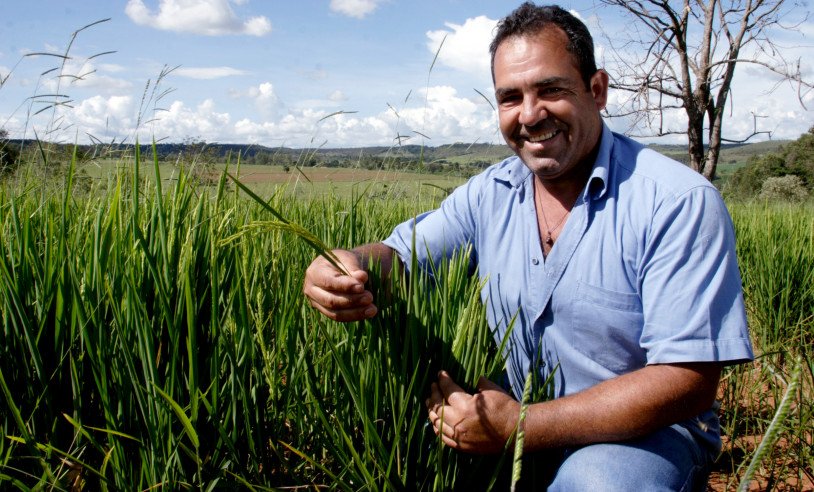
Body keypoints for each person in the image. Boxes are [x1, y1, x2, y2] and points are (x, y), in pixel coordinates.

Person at [303, 3, 754, 489]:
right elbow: (406, 256)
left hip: (643, 438)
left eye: (552, 90)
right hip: (512, 425)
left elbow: (687, 381)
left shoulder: (676, 202)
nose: (531, 115)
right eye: (511, 98)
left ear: (596, 91)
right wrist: (345, 265)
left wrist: (522, 425)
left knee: (599, 481)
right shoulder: (490, 193)